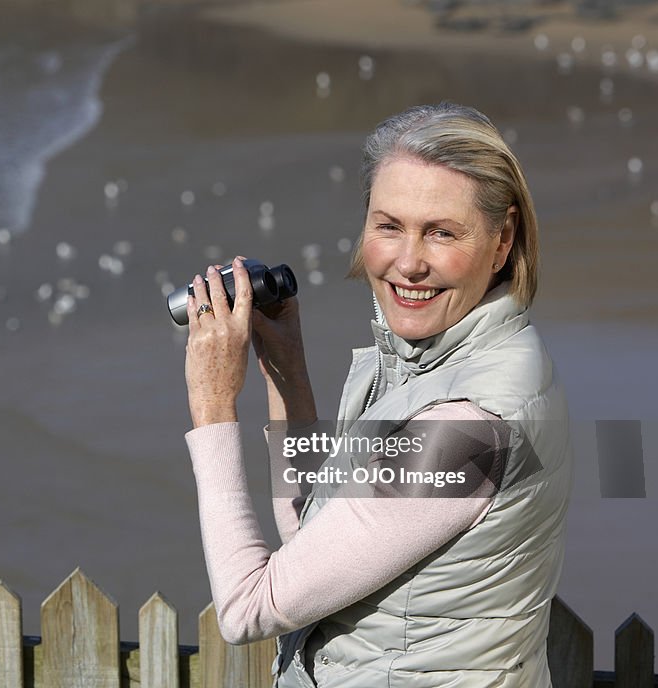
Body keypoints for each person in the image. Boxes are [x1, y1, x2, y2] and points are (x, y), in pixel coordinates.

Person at [182, 102, 572, 687]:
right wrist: (285, 368)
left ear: (503, 239)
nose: (408, 262)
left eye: (442, 232)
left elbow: (247, 608)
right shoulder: (452, 364)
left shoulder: (466, 428)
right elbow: (317, 539)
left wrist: (213, 407)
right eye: (389, 226)